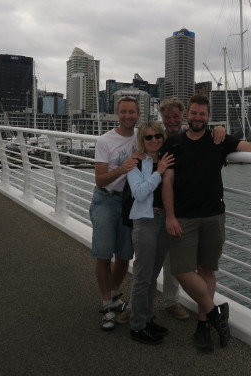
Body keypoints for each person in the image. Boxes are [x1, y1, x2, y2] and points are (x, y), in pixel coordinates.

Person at [162, 94, 251, 350]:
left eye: (202, 114)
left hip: (213, 216)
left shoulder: (218, 140)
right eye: (194, 113)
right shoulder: (174, 142)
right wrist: (171, 216)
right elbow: (168, 181)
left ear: (208, 116)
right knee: (181, 269)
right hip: (184, 218)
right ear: (188, 115)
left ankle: (204, 325)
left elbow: (248, 147)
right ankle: (216, 313)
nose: (198, 118)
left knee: (207, 270)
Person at [157, 98, 225, 321]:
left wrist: (220, 129)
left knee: (179, 264)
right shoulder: (156, 138)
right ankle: (144, 305)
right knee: (155, 260)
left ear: (183, 116)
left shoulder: (189, 138)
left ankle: (172, 302)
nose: (172, 121)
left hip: (183, 212)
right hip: (159, 208)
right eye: (168, 117)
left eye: (176, 116)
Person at [89, 96, 140, 331]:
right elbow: (99, 178)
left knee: (124, 255)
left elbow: (167, 136)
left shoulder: (142, 136)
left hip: (129, 203)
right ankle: (108, 304)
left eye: (132, 112)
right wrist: (123, 168)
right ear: (117, 113)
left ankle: (112, 294)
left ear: (138, 114)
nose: (128, 116)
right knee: (103, 254)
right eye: (124, 112)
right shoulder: (105, 140)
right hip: (106, 200)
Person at [126, 122, 174, 344]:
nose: (154, 140)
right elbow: (139, 193)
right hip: (145, 221)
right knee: (142, 277)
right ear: (141, 141)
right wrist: (159, 172)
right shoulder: (135, 163)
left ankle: (146, 318)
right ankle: (137, 326)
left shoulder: (167, 158)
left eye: (157, 136)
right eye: (148, 137)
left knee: (153, 277)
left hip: (164, 220)